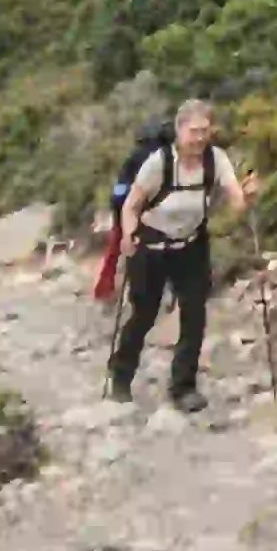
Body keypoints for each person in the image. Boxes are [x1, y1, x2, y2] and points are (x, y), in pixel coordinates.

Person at [101, 98, 246, 412]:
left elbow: (232, 189)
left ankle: (183, 387)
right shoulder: (158, 162)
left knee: (194, 313)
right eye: (194, 131)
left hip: (191, 245)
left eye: (205, 130)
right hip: (150, 247)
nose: (200, 138)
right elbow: (131, 205)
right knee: (144, 314)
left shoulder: (215, 159)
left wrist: (241, 199)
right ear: (180, 129)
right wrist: (128, 235)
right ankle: (121, 377)